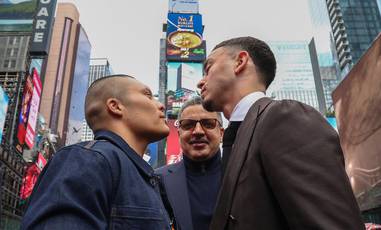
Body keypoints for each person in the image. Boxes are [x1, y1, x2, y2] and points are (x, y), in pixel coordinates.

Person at [197, 37, 364, 230]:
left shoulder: (284, 118)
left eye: (208, 68)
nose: (200, 82)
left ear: (240, 62)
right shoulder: (239, 137)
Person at [21, 75, 172, 229]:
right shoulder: (85, 159)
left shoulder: (145, 177)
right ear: (115, 106)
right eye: (147, 95)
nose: (161, 105)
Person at [156, 96, 224, 230]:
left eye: (208, 123)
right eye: (188, 125)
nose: (198, 131)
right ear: (179, 133)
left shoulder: (245, 175)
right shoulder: (158, 180)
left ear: (221, 133)